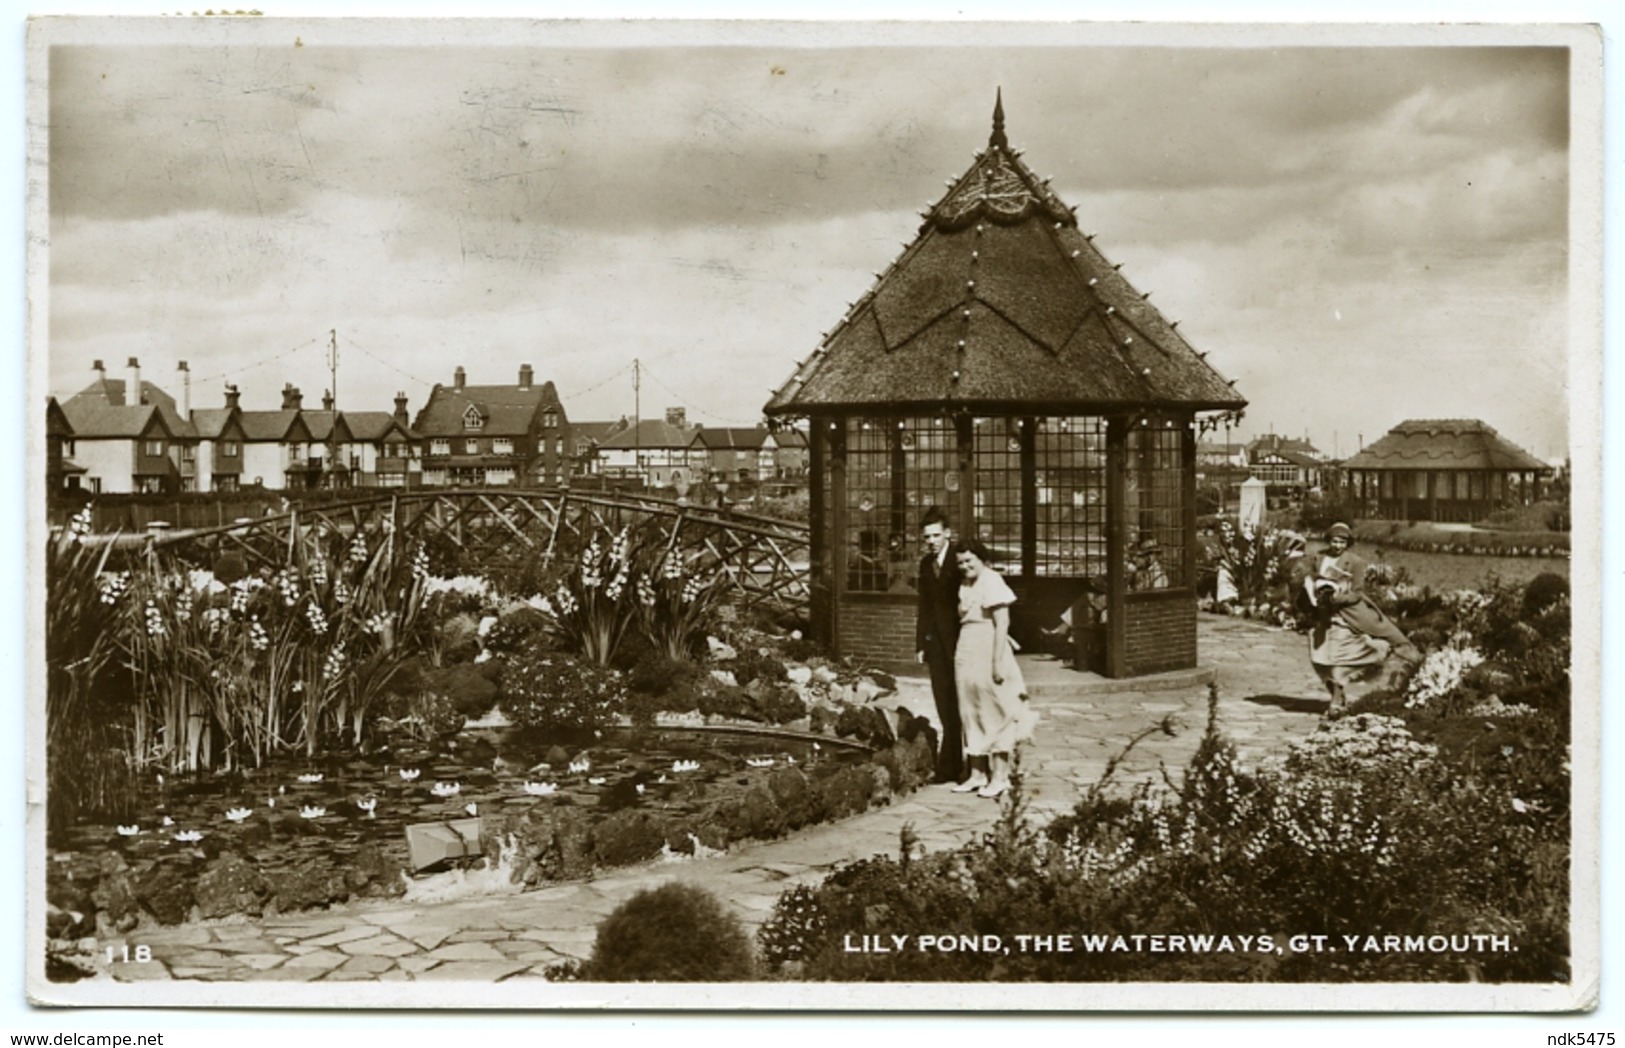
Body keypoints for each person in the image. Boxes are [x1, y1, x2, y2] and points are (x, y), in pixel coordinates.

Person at [1294, 522, 1422, 713]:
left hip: (1346, 615)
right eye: (1335, 541)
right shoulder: (1318, 557)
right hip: (1323, 616)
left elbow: (1357, 594)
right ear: (1329, 540)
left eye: (1342, 542)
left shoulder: (1356, 562)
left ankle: (1336, 702)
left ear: (1348, 543)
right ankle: (1337, 695)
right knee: (1319, 658)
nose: (1338, 545)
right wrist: (1311, 592)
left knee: (1338, 659)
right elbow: (1308, 580)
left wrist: (1337, 598)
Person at [950, 539, 1037, 798]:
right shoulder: (965, 583)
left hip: (989, 647)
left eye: (969, 561)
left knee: (995, 709)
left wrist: (997, 662)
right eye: (961, 562)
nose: (965, 566)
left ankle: (1000, 776)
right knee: (969, 709)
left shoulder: (992, 580)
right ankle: (977, 773)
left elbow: (1002, 623)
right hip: (967, 648)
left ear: (981, 558)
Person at [914, 507, 964, 784]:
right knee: (944, 704)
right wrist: (920, 642)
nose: (931, 541)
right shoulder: (925, 565)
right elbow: (924, 606)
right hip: (935, 645)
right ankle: (951, 765)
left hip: (959, 642)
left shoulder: (960, 561)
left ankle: (957, 765)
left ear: (947, 533)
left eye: (936, 535)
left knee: (961, 704)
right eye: (927, 537)